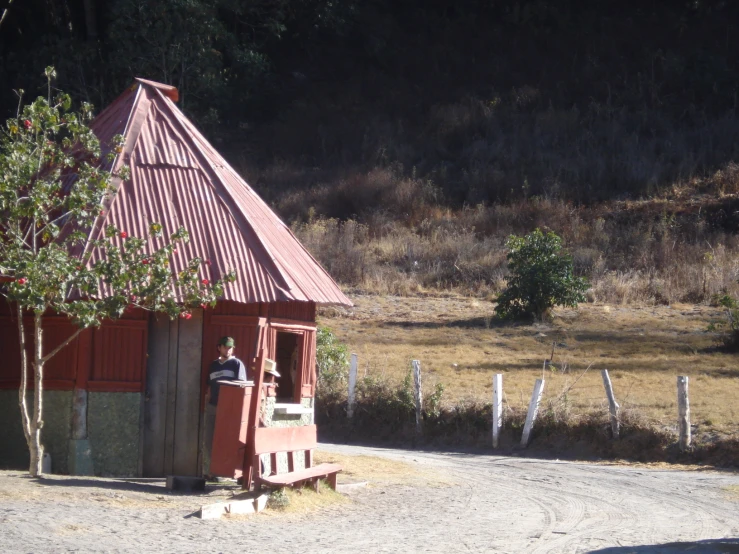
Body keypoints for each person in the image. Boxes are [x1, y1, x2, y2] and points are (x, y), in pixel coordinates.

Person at [202, 336, 247, 479]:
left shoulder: (237, 364)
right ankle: (211, 472)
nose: (228, 350)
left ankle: (227, 472)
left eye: (230, 347)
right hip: (213, 407)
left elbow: (241, 388)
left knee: (227, 440)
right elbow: (209, 388)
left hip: (230, 409)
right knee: (210, 440)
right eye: (225, 347)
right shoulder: (213, 365)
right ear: (219, 347)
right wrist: (206, 404)